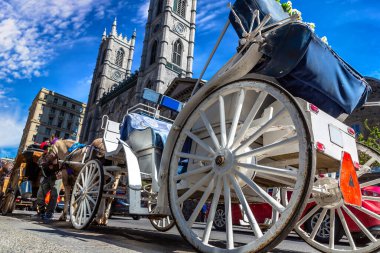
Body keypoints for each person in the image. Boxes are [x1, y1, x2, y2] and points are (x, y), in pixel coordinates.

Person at [35, 135, 59, 220]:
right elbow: (39, 162)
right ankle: (42, 212)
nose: (48, 144)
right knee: (40, 195)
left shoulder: (58, 152)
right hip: (46, 177)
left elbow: (61, 164)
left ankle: (49, 213)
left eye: (50, 143)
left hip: (55, 177)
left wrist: (53, 165)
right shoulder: (45, 153)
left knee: (54, 195)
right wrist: (44, 163)